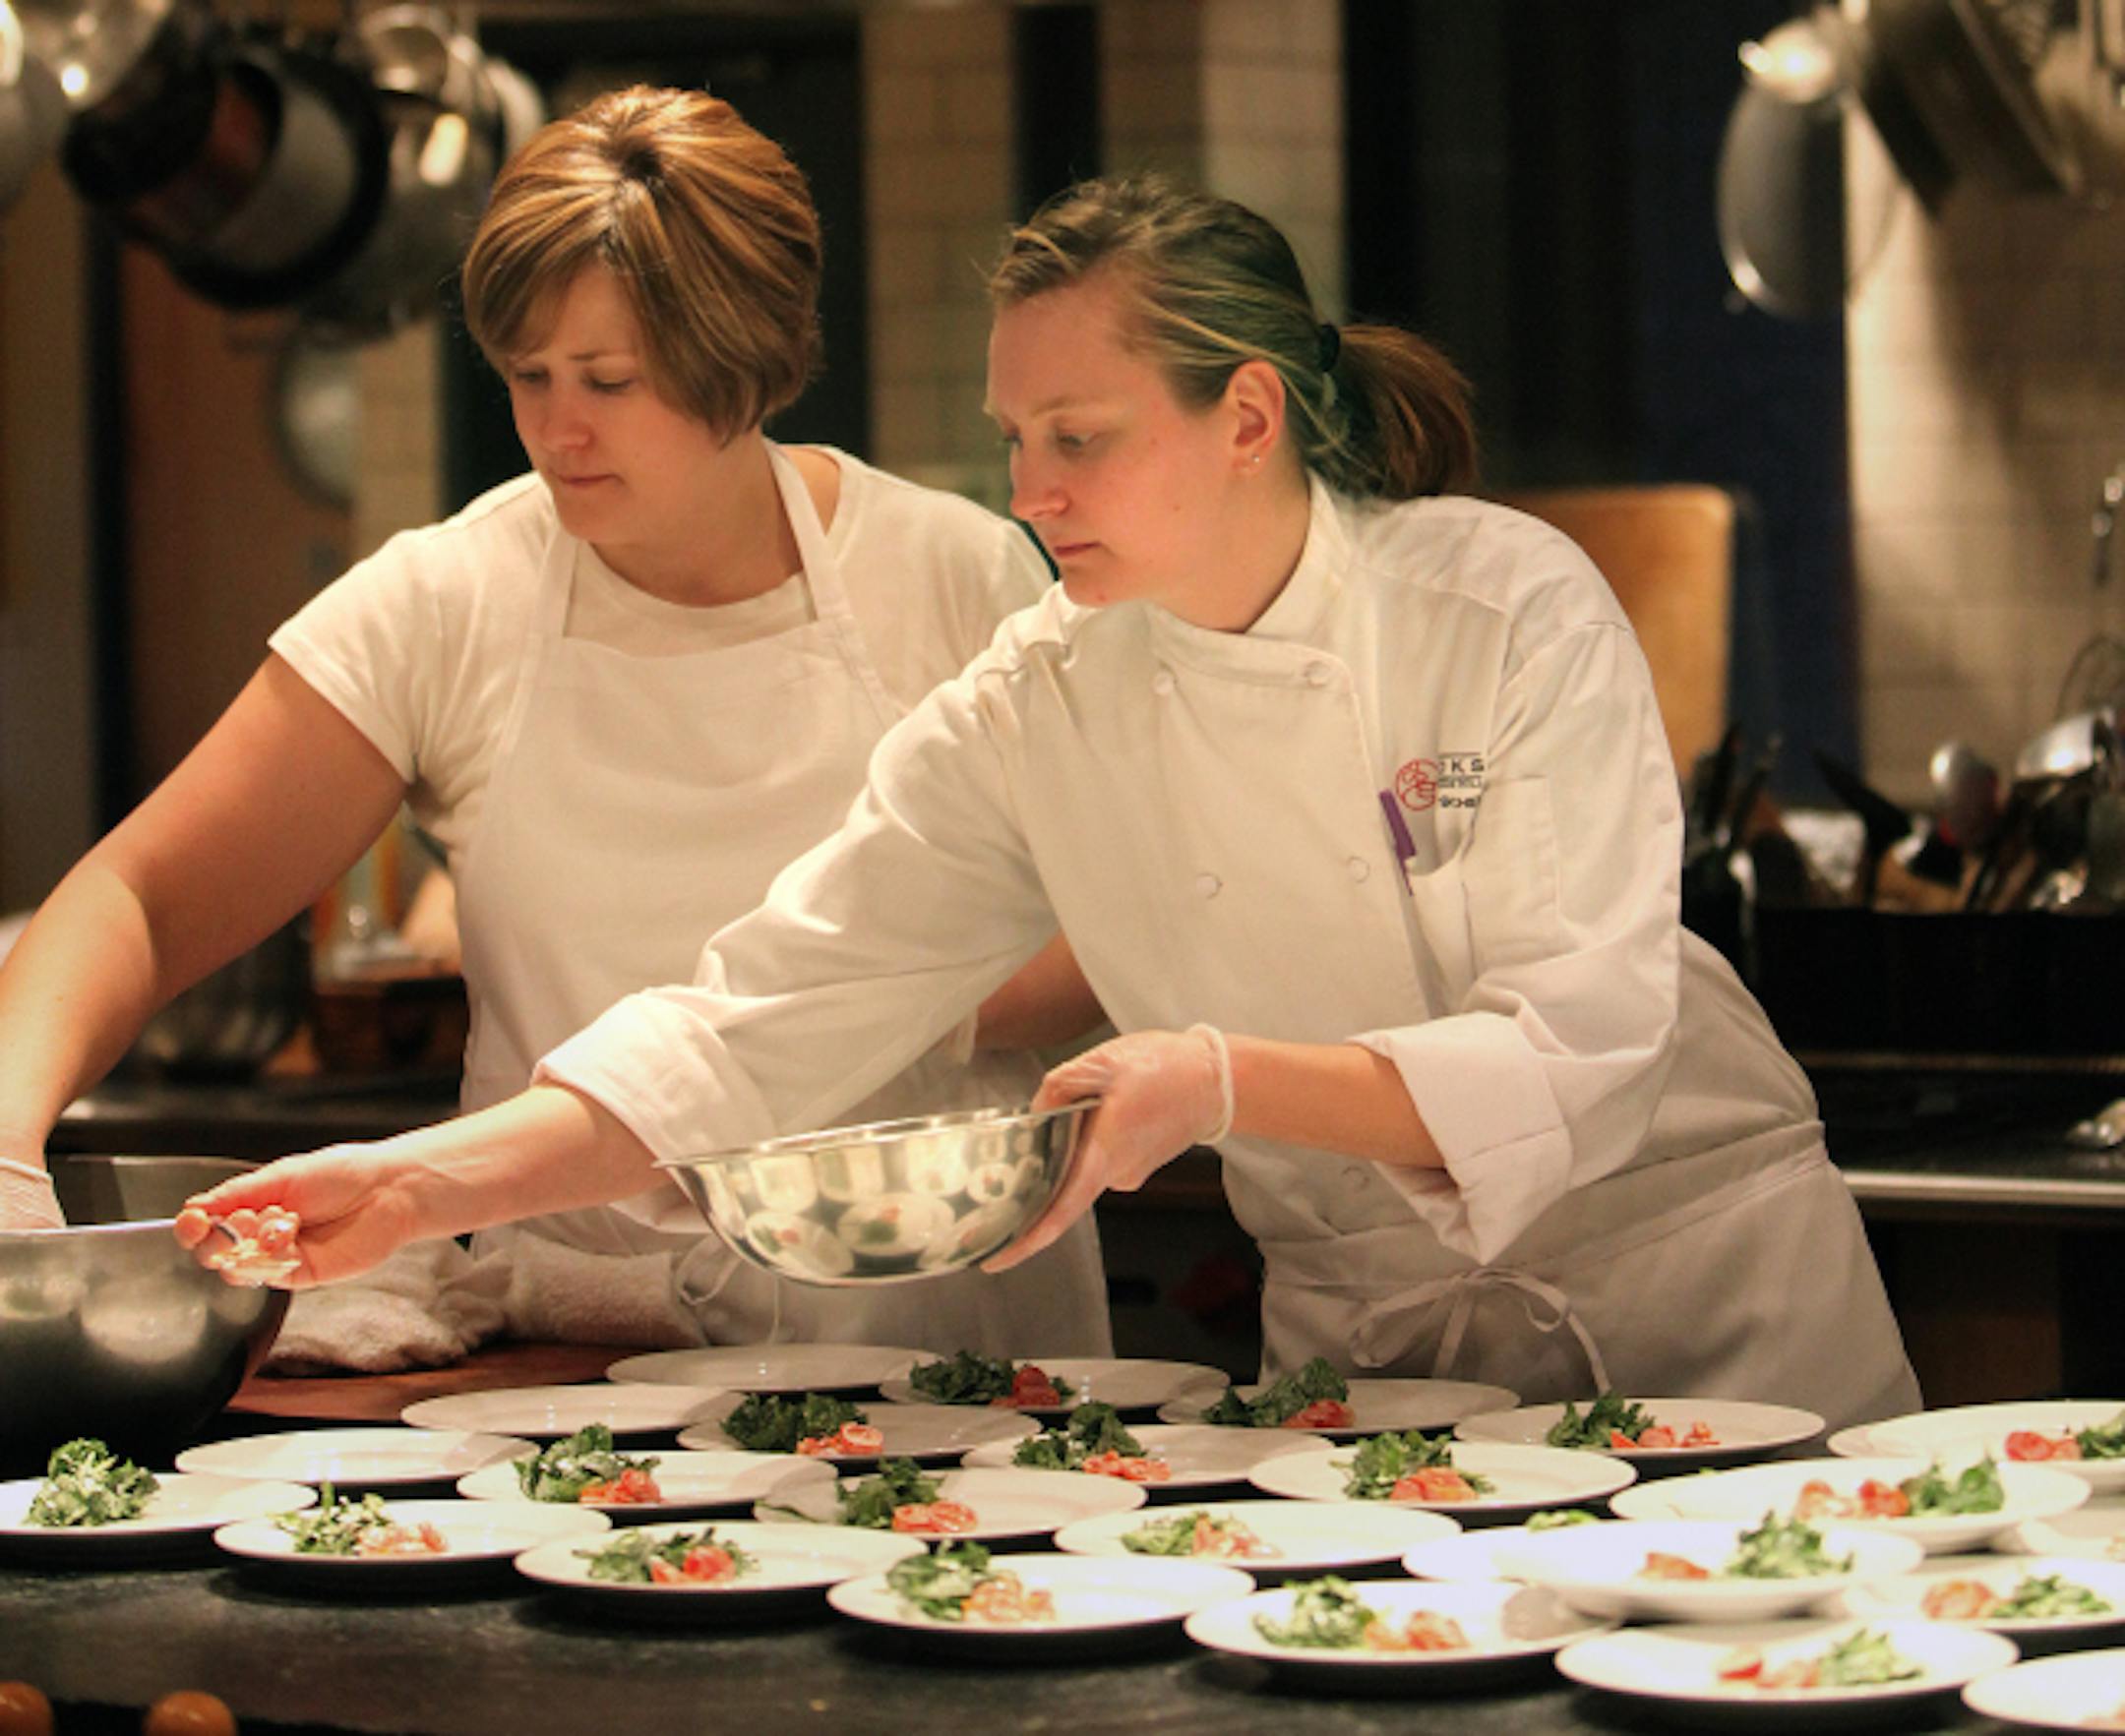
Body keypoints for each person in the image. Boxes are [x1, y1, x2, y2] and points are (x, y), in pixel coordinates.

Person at [179, 171, 1918, 1427]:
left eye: (1078, 437)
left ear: (1247, 415)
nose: (1030, 490)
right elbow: (755, 1020)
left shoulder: (1501, 606)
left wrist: (1220, 1077)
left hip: (1709, 1317)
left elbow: (1580, 1043)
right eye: (1014, 440)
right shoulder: (1040, 699)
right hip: (1394, 1382)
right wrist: (418, 1186)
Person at [2, 86, 1112, 1360]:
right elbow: (136, 898)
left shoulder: (957, 577)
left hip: (930, 1334)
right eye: (528, 375)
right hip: (573, 1357)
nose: (555, 428)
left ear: (743, 365)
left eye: (609, 380)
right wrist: (4, 1139)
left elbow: (1111, 934)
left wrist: (852, 1013)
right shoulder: (454, 598)